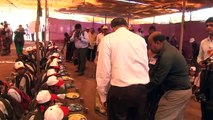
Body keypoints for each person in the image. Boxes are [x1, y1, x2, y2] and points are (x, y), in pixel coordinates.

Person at [96, 17, 150, 120]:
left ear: (112, 28)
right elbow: (145, 65)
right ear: (126, 26)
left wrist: (103, 96)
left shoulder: (108, 39)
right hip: (140, 91)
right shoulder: (140, 39)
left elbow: (104, 71)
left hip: (120, 91)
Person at [146, 31, 191, 120]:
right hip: (182, 91)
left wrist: (142, 88)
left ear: (158, 43)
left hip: (177, 92)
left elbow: (158, 79)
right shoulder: (168, 50)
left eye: (150, 45)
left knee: (161, 117)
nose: (150, 48)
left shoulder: (167, 55)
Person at [197, 17, 213, 120]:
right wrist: (200, 62)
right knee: (203, 98)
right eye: (207, 25)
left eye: (211, 25)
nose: (209, 27)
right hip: (205, 74)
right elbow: (199, 57)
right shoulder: (203, 42)